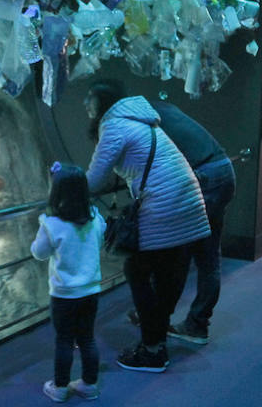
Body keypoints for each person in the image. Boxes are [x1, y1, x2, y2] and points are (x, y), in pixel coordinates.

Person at [85, 81, 211, 373]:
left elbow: (94, 179)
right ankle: (157, 338)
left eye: (88, 101)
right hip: (188, 200)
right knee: (170, 272)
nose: (85, 108)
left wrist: (64, 184)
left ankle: (152, 349)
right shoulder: (141, 119)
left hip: (165, 204)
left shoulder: (114, 125)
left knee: (137, 270)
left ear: (102, 103)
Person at [150, 97, 235, 345]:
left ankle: (159, 318)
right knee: (209, 258)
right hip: (223, 171)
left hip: (204, 178)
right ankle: (196, 323)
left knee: (177, 255)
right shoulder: (166, 109)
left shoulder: (148, 124)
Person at [30, 163, 106, 402]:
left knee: (64, 340)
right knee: (87, 338)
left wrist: (43, 225)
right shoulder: (95, 218)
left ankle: (60, 387)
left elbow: (38, 252)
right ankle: (89, 384)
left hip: (64, 295)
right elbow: (99, 241)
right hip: (91, 290)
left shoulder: (52, 224)